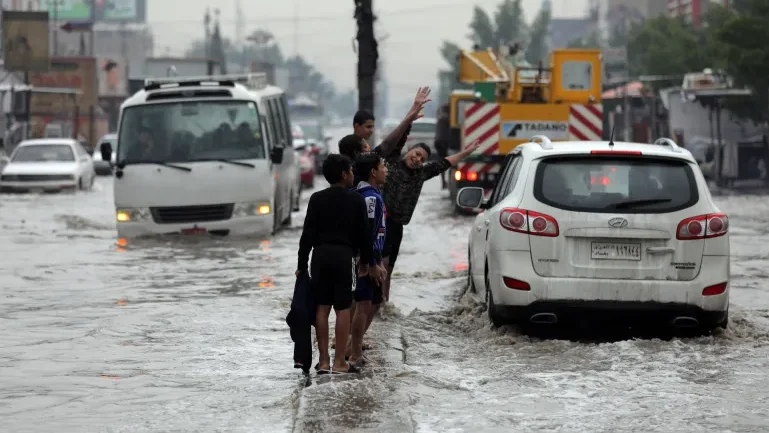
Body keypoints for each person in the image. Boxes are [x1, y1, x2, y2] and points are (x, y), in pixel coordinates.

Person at [296, 154, 372, 375]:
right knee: (342, 308)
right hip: (344, 257)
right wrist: (366, 262)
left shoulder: (316, 199)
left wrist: (302, 263)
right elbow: (364, 235)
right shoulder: (356, 200)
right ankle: (340, 362)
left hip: (319, 257)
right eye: (350, 171)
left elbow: (307, 234)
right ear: (343, 175)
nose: (352, 175)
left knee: (321, 307)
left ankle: (323, 362)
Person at [381, 138, 482, 302]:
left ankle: (383, 304)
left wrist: (467, 152)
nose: (418, 160)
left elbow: (446, 162)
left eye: (422, 159)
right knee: (382, 266)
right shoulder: (389, 165)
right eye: (417, 154)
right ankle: (374, 302)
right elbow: (390, 144)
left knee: (389, 269)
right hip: (381, 223)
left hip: (397, 226)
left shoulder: (421, 173)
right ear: (409, 150)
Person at [348, 152, 388, 367]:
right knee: (363, 305)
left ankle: (352, 346)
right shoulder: (370, 197)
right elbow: (368, 232)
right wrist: (371, 263)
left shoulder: (368, 193)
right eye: (383, 166)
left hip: (370, 258)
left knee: (373, 302)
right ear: (373, 172)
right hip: (364, 261)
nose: (386, 170)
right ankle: (354, 353)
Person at [434, 104, 451, 189]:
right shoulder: (446, 119)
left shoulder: (440, 118)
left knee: (442, 162)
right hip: (443, 143)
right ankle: (444, 182)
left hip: (438, 142)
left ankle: (444, 182)